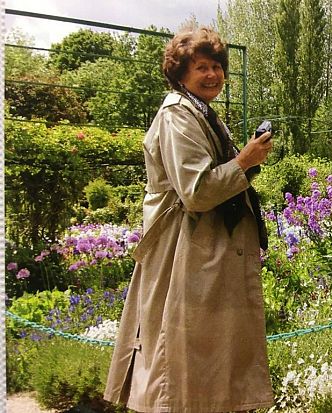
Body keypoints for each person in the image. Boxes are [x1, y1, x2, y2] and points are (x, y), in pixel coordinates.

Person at [103, 25, 274, 413]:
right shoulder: (178, 116)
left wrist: (243, 162)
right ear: (181, 73)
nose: (212, 74)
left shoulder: (201, 112)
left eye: (217, 66)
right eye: (201, 67)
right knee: (182, 358)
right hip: (186, 250)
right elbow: (196, 192)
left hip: (203, 248)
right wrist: (244, 161)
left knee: (206, 354)